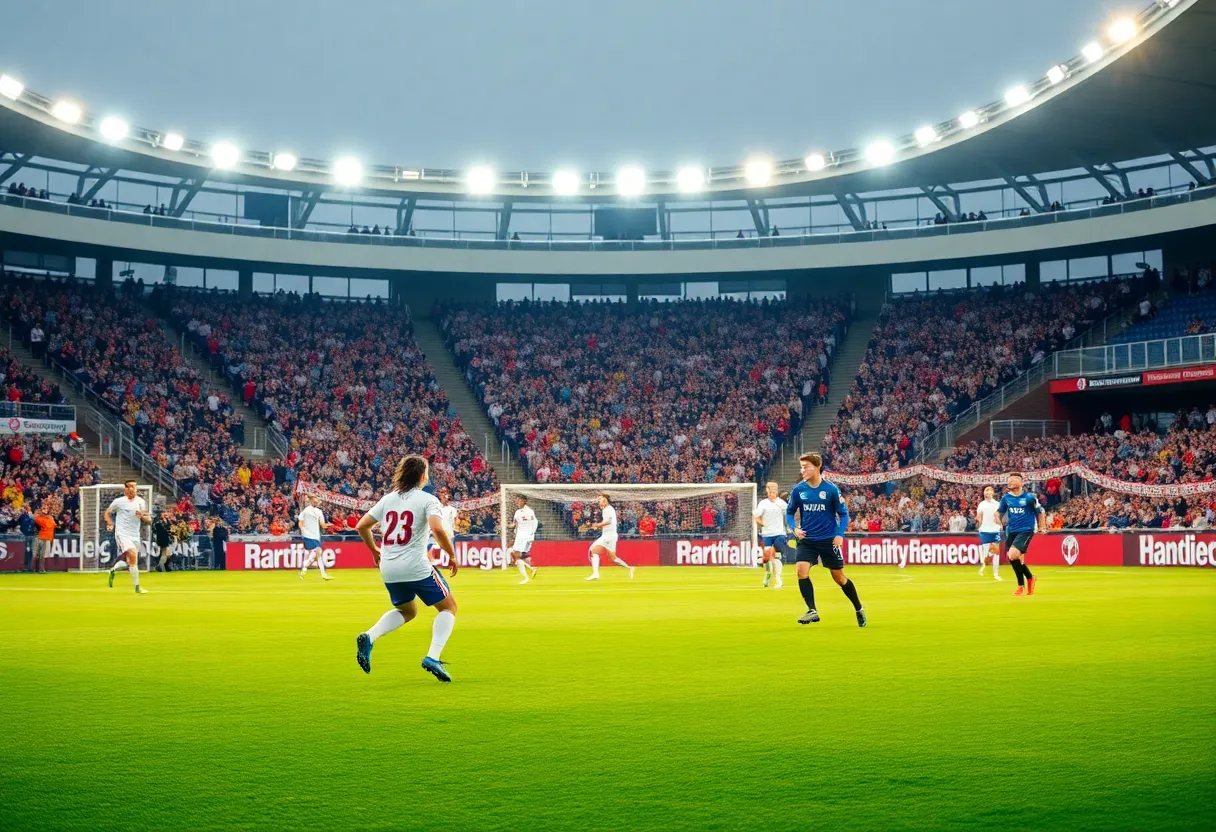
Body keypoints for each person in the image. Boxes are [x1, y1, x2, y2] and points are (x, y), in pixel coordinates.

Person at [354, 455, 459, 683]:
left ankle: (369, 637)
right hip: (415, 565)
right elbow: (438, 530)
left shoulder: (388, 499)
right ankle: (433, 656)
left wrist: (374, 551)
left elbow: (361, 525)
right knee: (449, 608)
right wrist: (451, 554)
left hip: (389, 567)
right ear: (423, 476)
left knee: (408, 612)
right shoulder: (428, 500)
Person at [786, 453, 865, 627]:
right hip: (807, 539)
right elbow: (790, 513)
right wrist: (795, 528)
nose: (803, 470)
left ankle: (858, 608)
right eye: (801, 467)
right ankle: (812, 610)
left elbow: (843, 515)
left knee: (839, 578)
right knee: (801, 570)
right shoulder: (798, 490)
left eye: (806, 466)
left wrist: (839, 534)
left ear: (817, 467)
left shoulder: (830, 490)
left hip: (828, 540)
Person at [997, 473, 1046, 596]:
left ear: (1020, 483)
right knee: (1013, 557)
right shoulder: (1006, 498)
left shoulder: (1029, 498)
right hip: (1011, 530)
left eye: (1012, 480)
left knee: (1013, 554)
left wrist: (1042, 527)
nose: (1009, 482)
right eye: (1008, 480)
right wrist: (998, 519)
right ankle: (1029, 579)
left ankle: (1021, 586)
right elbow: (999, 512)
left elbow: (1039, 512)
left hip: (1026, 530)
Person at [105, 480, 151, 594]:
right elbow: (107, 513)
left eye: (134, 487)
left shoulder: (141, 502)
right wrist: (110, 523)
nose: (132, 489)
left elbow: (148, 520)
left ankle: (113, 570)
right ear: (125, 489)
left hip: (135, 534)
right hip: (122, 534)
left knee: (131, 562)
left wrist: (142, 516)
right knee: (133, 555)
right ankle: (137, 588)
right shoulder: (119, 502)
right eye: (130, 487)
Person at [585, 493, 633, 581]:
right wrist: (597, 526)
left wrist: (597, 525)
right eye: (599, 501)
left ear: (606, 501)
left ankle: (596, 574)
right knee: (613, 558)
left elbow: (609, 521)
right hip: (611, 535)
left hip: (608, 536)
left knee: (593, 551)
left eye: (602, 500)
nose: (600, 503)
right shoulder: (607, 509)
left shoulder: (608, 509)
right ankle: (630, 568)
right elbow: (607, 523)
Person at [753, 481, 787, 589]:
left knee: (776, 556)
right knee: (767, 558)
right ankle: (768, 574)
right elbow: (756, 516)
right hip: (767, 534)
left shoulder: (782, 503)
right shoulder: (763, 503)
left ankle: (778, 580)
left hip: (779, 533)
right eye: (769, 491)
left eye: (773, 491)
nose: (771, 493)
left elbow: (789, 515)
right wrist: (761, 523)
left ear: (776, 492)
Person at [297, 495, 332, 580]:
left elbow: (323, 525)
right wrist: (303, 530)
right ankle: (323, 575)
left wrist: (330, 525)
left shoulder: (319, 512)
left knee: (317, 554)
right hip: (308, 536)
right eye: (315, 501)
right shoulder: (305, 511)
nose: (316, 503)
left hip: (316, 536)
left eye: (317, 501)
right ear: (311, 501)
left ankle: (304, 567)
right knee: (318, 551)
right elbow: (300, 522)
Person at [507, 495, 538, 584]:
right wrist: (507, 526)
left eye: (519, 500)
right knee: (511, 552)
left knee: (516, 555)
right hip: (519, 537)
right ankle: (531, 569)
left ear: (525, 501)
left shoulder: (529, 512)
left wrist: (531, 534)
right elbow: (514, 524)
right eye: (517, 500)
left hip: (526, 537)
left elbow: (535, 523)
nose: (517, 502)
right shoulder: (517, 512)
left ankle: (526, 577)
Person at [975, 486, 1002, 581]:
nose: (987, 493)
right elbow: (979, 516)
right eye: (986, 491)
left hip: (995, 529)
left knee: (996, 552)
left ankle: (996, 574)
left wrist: (999, 523)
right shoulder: (981, 504)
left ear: (993, 493)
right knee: (987, 554)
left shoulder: (998, 504)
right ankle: (984, 566)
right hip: (984, 530)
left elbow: (999, 516)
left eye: (989, 490)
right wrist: (978, 521)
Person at [429, 490, 461, 567]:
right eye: (443, 498)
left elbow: (456, 519)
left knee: (449, 549)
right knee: (432, 545)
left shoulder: (452, 509)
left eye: (446, 498)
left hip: (448, 531)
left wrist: (456, 525)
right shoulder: (438, 507)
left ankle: (451, 563)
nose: (444, 499)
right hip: (439, 530)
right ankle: (432, 561)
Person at [32, 505, 55, 573]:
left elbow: (53, 525)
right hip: (41, 536)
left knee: (41, 554)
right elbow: (43, 524)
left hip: (46, 537)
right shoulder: (39, 518)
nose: (45, 510)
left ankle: (38, 569)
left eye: (46, 509)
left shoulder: (49, 518)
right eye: (43, 509)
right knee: (41, 554)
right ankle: (40, 569)